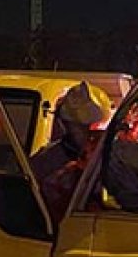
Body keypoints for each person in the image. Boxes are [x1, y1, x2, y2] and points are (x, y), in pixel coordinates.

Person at [30, 81, 113, 224]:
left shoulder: (110, 161)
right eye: (84, 128)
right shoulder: (46, 162)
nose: (91, 137)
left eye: (97, 131)